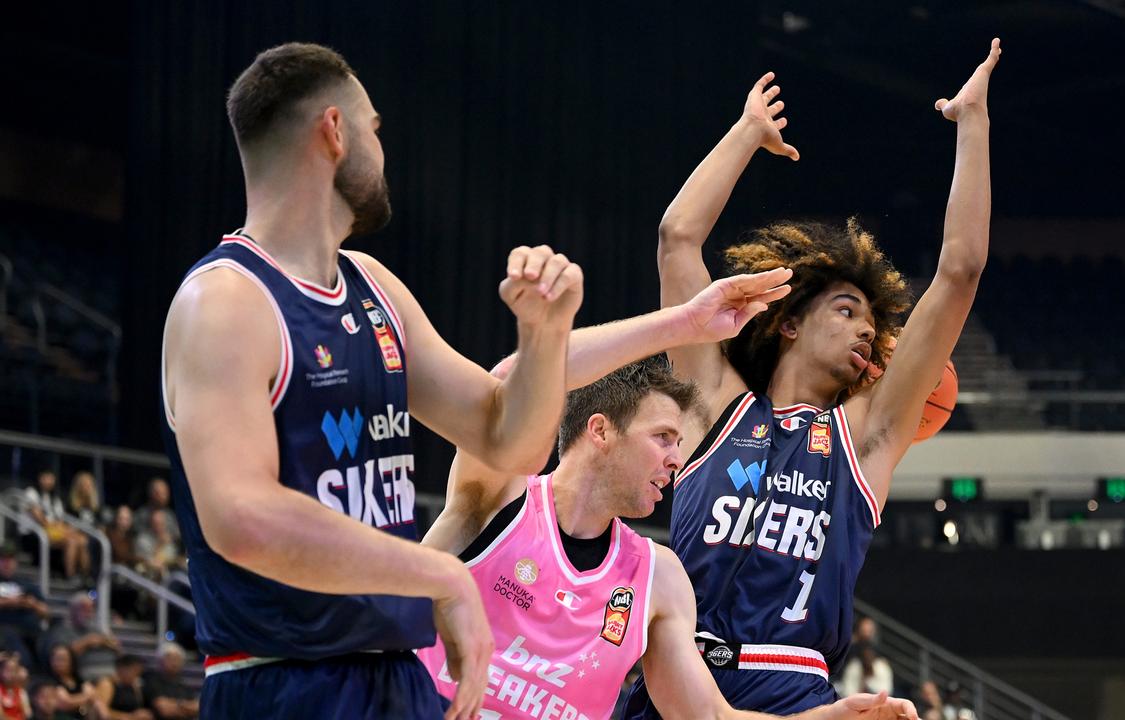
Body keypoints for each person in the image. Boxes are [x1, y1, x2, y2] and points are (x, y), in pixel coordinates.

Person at [160, 42, 583, 720]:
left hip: (394, 679)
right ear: (334, 131)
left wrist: (546, 335)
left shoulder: (374, 288)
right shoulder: (227, 301)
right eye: (376, 130)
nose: (384, 152)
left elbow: (510, 441)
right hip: (283, 682)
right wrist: (439, 574)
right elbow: (241, 519)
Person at [626, 41, 1002, 715]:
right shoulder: (714, 404)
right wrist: (745, 134)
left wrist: (973, 124)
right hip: (676, 672)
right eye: (847, 309)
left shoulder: (865, 437)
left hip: (793, 689)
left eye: (871, 321)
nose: (865, 329)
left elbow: (960, 270)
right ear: (791, 322)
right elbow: (677, 239)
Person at [421, 358, 918, 720]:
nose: (677, 459)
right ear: (600, 430)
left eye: (680, 443)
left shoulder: (656, 575)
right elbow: (510, 377)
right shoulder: (497, 495)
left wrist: (830, 719)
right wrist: (680, 323)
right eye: (663, 438)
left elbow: (712, 719)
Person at [23, 471, 91, 582]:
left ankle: (85, 576)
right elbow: (40, 518)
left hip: (53, 532)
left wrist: (62, 529)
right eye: (46, 477)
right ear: (40, 478)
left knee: (81, 540)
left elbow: (60, 520)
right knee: (72, 541)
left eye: (51, 478)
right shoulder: (32, 492)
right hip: (34, 534)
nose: (49, 481)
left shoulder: (55, 499)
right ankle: (70, 575)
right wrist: (56, 528)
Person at [42, 593, 120, 684]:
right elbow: (63, 656)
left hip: (111, 670)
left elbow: (118, 651)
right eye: (84, 609)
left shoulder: (95, 630)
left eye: (91, 610)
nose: (89, 614)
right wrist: (86, 642)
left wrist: (111, 643)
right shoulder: (61, 631)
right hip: (87, 673)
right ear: (73, 610)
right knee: (106, 683)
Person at [0, 542, 48, 668]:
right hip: (5, 629)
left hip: (32, 630)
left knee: (52, 645)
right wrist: (9, 602)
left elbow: (46, 612)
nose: (7, 563)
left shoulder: (27, 583)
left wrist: (32, 604)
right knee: (15, 644)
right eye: (4, 559)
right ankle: (25, 668)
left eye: (11, 559)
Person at [142, 644, 196, 720]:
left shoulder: (182, 685)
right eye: (170, 659)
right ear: (160, 661)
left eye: (177, 659)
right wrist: (184, 706)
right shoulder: (151, 679)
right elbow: (164, 710)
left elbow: (196, 708)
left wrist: (174, 705)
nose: (174, 663)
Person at [45, 644, 97, 717]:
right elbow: (65, 703)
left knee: (98, 705)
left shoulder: (78, 678)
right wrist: (86, 697)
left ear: (71, 661)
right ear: (50, 661)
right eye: (57, 659)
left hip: (84, 715)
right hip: (63, 717)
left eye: (63, 659)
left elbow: (93, 694)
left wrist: (77, 700)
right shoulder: (48, 681)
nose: (60, 663)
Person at [95, 655, 151, 720]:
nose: (137, 676)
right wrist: (130, 717)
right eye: (135, 671)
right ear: (122, 669)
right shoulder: (107, 684)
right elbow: (102, 713)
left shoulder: (135, 686)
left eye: (139, 673)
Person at [132, 481, 178, 546]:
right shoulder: (141, 514)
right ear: (152, 494)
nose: (165, 497)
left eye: (166, 493)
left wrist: (170, 537)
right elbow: (136, 534)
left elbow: (177, 535)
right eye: (161, 493)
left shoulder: (170, 515)